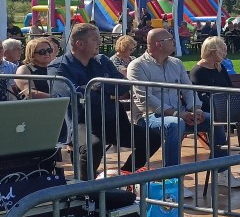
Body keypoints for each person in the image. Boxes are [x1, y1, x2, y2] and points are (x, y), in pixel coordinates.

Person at [128, 28, 235, 193]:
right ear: (159, 44)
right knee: (175, 124)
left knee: (213, 120)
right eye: (170, 39)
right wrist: (178, 114)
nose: (174, 41)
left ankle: (222, 172)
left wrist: (196, 109)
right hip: (148, 116)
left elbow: (188, 89)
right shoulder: (137, 66)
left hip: (180, 113)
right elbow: (146, 99)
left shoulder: (176, 63)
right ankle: (172, 181)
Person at [48, 23, 161, 179]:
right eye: (95, 39)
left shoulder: (102, 60)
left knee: (152, 138)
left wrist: (97, 86)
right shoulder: (58, 66)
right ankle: (85, 187)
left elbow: (124, 85)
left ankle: (124, 177)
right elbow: (72, 94)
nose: (99, 43)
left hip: (112, 119)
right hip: (82, 122)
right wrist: (106, 89)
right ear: (80, 44)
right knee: (93, 146)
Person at [188, 36, 240, 188]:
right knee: (217, 122)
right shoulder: (198, 71)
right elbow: (200, 97)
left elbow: (229, 88)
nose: (225, 52)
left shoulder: (220, 68)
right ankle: (222, 172)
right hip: (207, 110)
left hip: (224, 107)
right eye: (222, 50)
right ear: (212, 51)